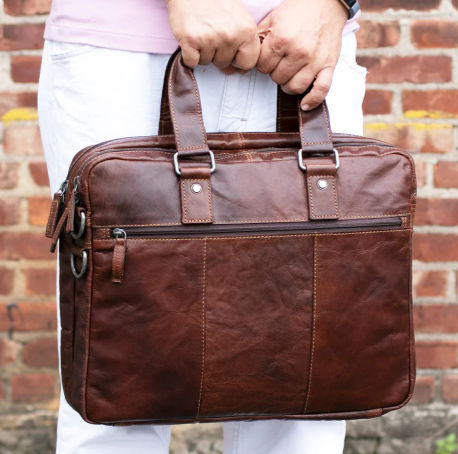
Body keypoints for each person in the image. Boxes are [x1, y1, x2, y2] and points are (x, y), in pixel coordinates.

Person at [38, 0, 366, 453]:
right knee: (116, 380)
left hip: (305, 42)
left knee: (304, 395)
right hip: (125, 50)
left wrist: (334, 4)